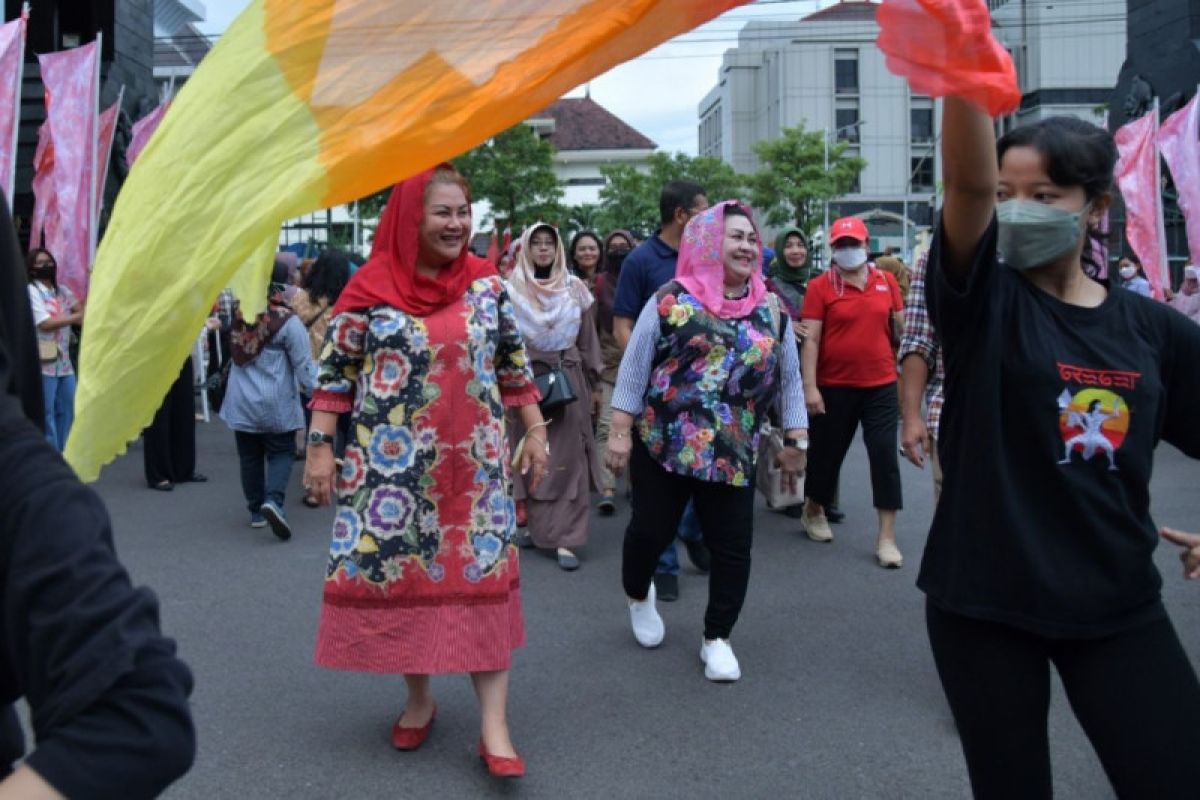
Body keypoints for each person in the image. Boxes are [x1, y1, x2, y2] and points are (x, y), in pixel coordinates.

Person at [924, 95, 1200, 799]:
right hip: (984, 605)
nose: (1017, 209)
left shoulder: (1153, 331)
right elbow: (967, 184)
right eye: (1008, 193)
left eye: (1044, 195)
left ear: (1096, 207)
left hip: (1117, 601)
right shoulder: (984, 300)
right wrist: (962, 69)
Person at [304, 165, 547, 778]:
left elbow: (513, 365)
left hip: (476, 472)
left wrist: (536, 430)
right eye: (443, 212)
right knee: (410, 579)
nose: (457, 223)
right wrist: (319, 449)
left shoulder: (487, 286)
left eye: (463, 211)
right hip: (393, 477)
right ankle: (419, 697)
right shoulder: (369, 289)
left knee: (483, 585)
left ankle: (495, 726)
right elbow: (335, 379)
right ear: (411, 218)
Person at [0, 194, 196, 798]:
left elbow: (137, 710)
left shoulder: (15, 477)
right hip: (59, 368)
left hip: (62, 377)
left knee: (59, 434)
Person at [607, 201, 807, 682]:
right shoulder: (671, 298)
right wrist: (618, 434)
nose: (745, 245)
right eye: (734, 235)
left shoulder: (771, 308)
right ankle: (638, 595)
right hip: (664, 445)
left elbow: (790, 380)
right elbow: (634, 369)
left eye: (751, 238)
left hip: (733, 453)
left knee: (733, 548)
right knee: (649, 534)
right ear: (707, 242)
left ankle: (717, 637)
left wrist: (799, 436)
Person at [611, 180, 712, 601]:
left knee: (700, 471)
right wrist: (650, 366)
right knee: (660, 481)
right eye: (703, 211)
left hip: (703, 391)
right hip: (657, 394)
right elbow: (622, 326)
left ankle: (690, 530)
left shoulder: (709, 259)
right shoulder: (641, 261)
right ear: (681, 215)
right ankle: (665, 565)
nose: (711, 220)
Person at [798, 216, 905, 569]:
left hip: (881, 384)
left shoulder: (886, 281)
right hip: (834, 385)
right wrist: (810, 387)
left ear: (866, 243)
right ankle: (814, 508)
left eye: (853, 244)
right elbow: (811, 338)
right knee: (827, 455)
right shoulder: (820, 286)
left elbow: (900, 329)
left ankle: (886, 536)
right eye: (840, 245)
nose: (847, 251)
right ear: (832, 248)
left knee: (883, 456)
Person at [507, 223, 603, 571]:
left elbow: (588, 340)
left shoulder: (575, 288)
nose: (544, 249)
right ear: (525, 248)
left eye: (550, 243)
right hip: (526, 383)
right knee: (532, 455)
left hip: (569, 380)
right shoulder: (510, 290)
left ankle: (566, 537)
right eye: (537, 243)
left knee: (569, 459)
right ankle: (535, 525)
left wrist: (593, 386)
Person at [219, 259, 316, 540]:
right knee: (281, 452)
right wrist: (316, 393)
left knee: (249, 456)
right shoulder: (287, 322)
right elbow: (303, 368)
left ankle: (255, 512)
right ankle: (273, 500)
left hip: (241, 401)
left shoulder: (239, 316)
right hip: (276, 402)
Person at [291, 248, 352, 506]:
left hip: (310, 372)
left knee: (315, 430)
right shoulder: (349, 301)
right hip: (343, 372)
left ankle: (314, 487)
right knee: (346, 430)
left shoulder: (301, 300)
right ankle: (346, 478)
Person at [897, 251, 945, 499]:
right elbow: (919, 340)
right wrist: (912, 415)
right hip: (956, 417)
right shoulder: (940, 256)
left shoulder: (1079, 255)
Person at [593, 230, 634, 514]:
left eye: (624, 246)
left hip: (637, 362)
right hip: (607, 364)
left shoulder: (638, 279)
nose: (619, 250)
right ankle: (607, 486)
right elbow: (593, 329)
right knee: (606, 425)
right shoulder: (599, 285)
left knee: (638, 427)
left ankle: (635, 484)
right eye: (614, 247)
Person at [26, 248, 81, 452]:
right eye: (40, 263)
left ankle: (64, 453)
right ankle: (51, 454)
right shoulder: (32, 291)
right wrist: (73, 317)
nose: (46, 266)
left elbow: (82, 313)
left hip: (64, 361)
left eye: (48, 261)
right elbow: (45, 324)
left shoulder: (63, 291)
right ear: (32, 269)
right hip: (44, 360)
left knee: (67, 407)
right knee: (47, 412)